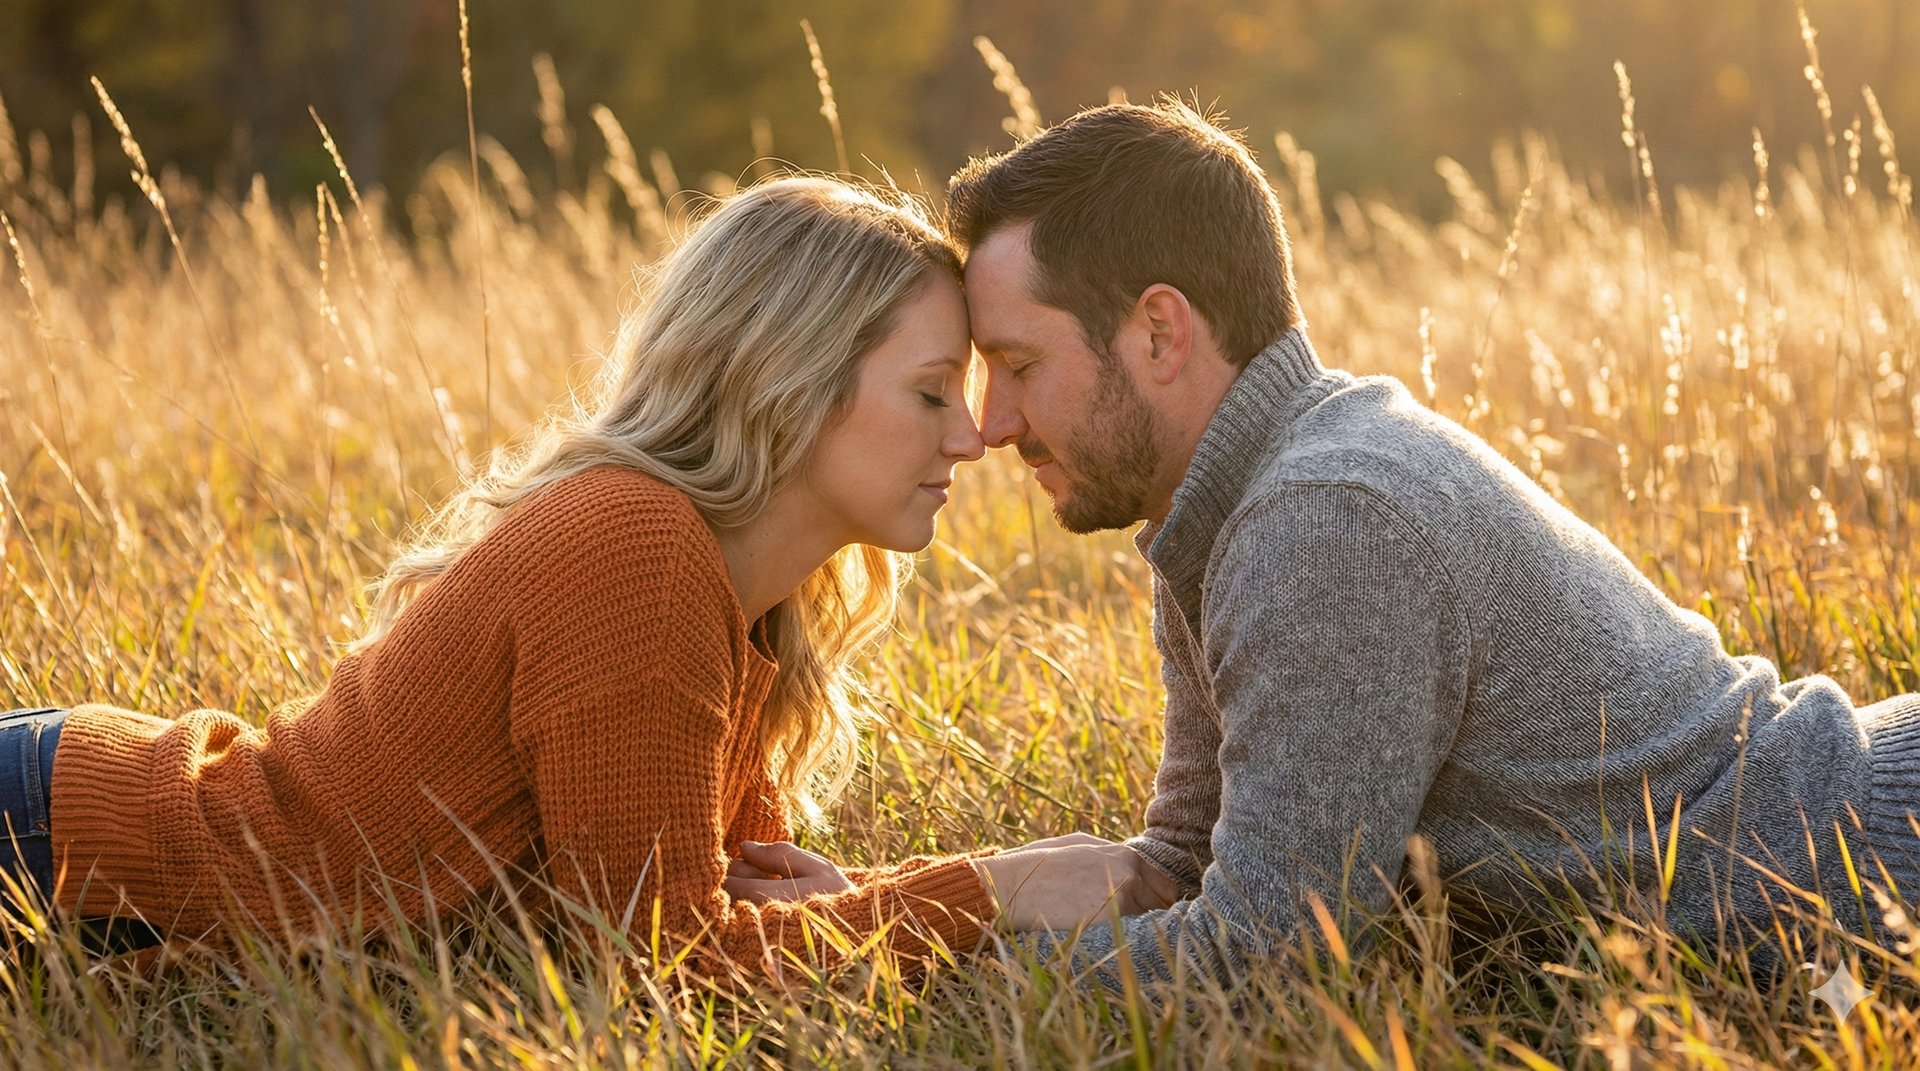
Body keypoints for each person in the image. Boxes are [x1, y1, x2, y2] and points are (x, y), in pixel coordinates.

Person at [925, 99, 1918, 989]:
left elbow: (1264, 954)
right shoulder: (1233, 500)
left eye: (1017, 365)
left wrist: (922, 969)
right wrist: (913, 903)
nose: (992, 423)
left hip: (1877, 873)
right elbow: (1190, 860)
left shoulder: (1325, 523)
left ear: (1159, 334)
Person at [0, 176, 1042, 974]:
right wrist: (1000, 893)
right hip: (69, 851)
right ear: (793, 382)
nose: (975, 435)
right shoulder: (635, 549)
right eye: (932, 392)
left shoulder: (757, 602)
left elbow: (711, 924)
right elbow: (666, 973)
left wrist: (864, 899)